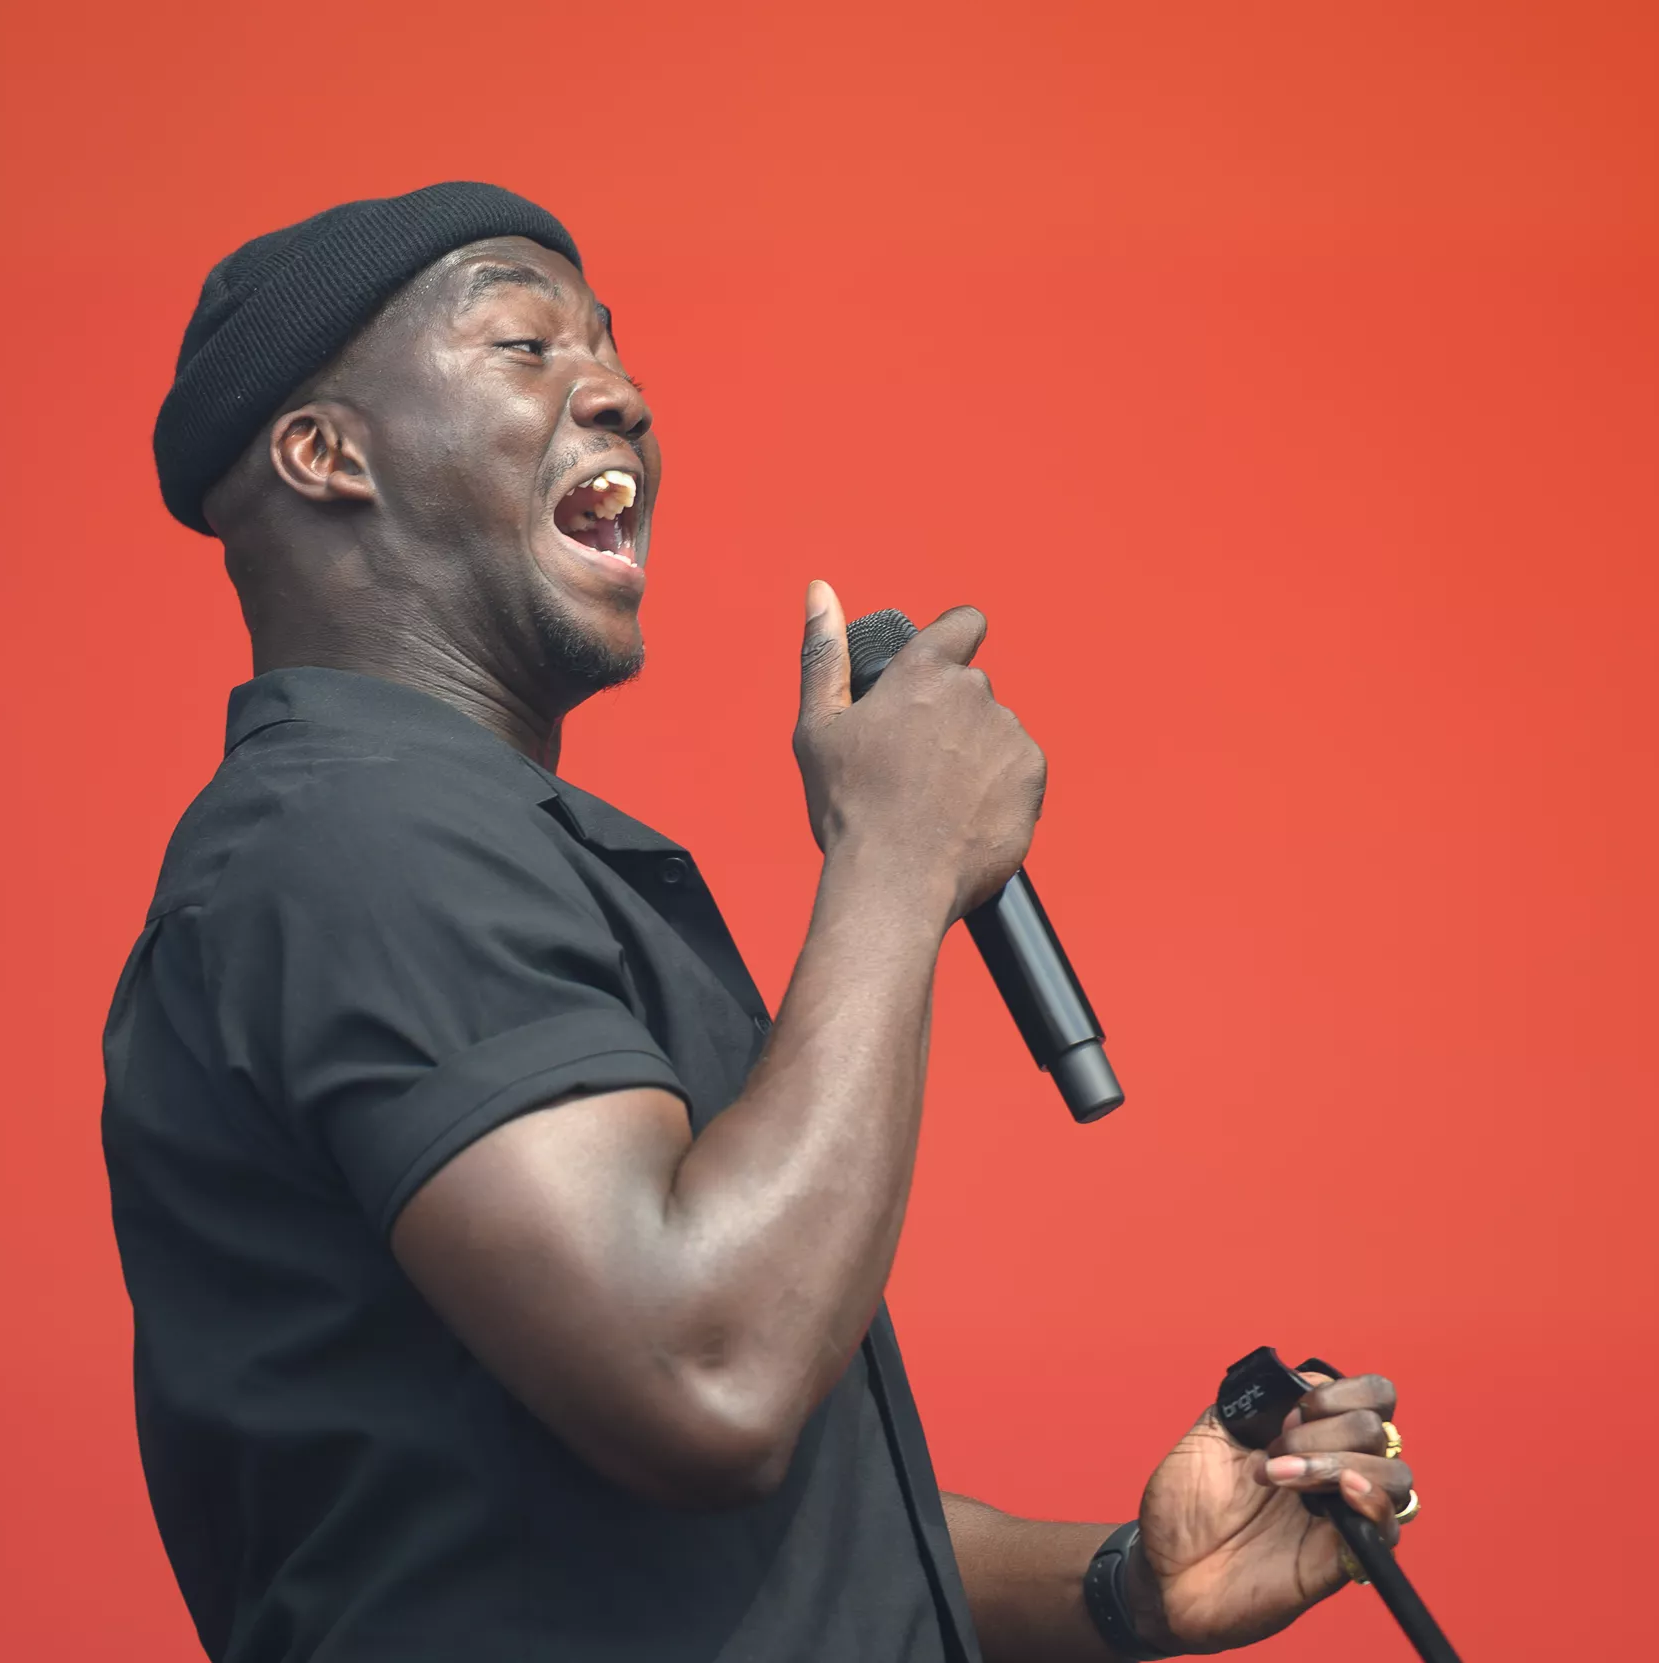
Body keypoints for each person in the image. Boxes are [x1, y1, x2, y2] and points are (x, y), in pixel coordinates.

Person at [105, 181, 1415, 1663]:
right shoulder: (357, 840)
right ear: (326, 453)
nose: (622, 392)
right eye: (528, 345)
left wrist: (1123, 1588)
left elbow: (731, 1561)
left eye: (612, 345)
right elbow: (707, 1374)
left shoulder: (470, 846)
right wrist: (897, 855)